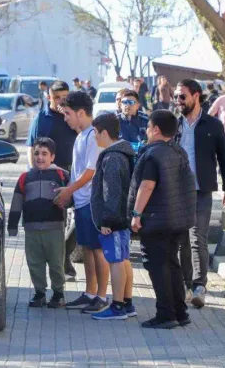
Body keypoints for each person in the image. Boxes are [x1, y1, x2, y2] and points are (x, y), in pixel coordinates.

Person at [129, 110, 197, 329]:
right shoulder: (178, 151)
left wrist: (136, 214)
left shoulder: (153, 154)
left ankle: (165, 314)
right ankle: (180, 312)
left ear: (156, 130)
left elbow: (147, 185)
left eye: (149, 127)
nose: (147, 131)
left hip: (156, 220)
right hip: (177, 220)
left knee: (158, 266)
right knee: (172, 264)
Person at [175, 79, 225, 308]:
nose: (178, 101)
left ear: (196, 96)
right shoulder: (175, 125)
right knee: (181, 240)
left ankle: (200, 286)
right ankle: (185, 284)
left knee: (197, 237)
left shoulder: (212, 125)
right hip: (177, 192)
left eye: (182, 96)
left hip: (202, 190)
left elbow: (224, 158)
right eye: (176, 97)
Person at [55, 91, 110, 314]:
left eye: (67, 113)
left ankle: (102, 296)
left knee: (98, 250)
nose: (65, 118)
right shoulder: (80, 136)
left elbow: (90, 172)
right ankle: (90, 293)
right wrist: (68, 192)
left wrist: (69, 190)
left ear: (80, 113)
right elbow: (77, 171)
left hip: (92, 202)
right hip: (80, 202)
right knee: (86, 248)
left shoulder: (94, 136)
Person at [26, 80, 79, 282]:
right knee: (59, 221)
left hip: (75, 173)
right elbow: (32, 148)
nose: (60, 101)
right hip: (52, 175)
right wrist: (36, 173)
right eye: (56, 97)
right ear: (49, 97)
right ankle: (62, 265)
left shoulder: (73, 116)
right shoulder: (42, 119)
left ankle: (64, 253)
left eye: (64, 97)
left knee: (82, 219)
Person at [8, 137, 70, 309]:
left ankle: (58, 293)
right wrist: (12, 226)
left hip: (54, 229)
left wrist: (67, 202)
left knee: (56, 262)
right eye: (36, 153)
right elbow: (16, 202)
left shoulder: (61, 175)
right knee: (34, 262)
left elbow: (72, 197)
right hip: (32, 229)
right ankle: (39, 293)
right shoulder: (25, 177)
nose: (39, 157)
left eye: (44, 154)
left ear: (52, 157)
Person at [88, 113, 137, 320]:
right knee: (123, 259)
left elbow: (112, 192)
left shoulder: (112, 157)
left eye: (96, 133)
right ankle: (127, 303)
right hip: (121, 218)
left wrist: (107, 220)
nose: (94, 137)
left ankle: (117, 306)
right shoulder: (121, 153)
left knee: (116, 261)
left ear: (105, 133)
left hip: (114, 221)